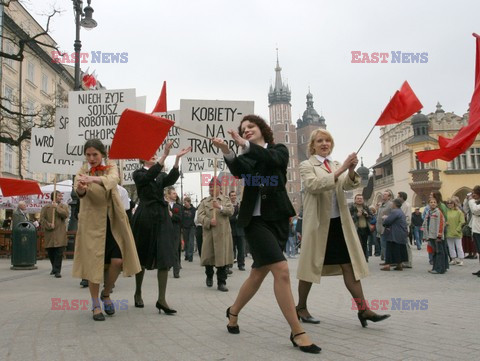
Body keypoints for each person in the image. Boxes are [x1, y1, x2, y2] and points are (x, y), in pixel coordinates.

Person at [213, 114, 321, 354]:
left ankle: (233, 311)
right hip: (255, 221)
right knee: (281, 270)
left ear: (262, 128)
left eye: (251, 127)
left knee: (257, 274)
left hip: (278, 219)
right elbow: (240, 172)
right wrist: (227, 151)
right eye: (243, 128)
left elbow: (273, 161)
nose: (247, 130)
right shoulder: (247, 154)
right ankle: (297, 332)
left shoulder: (279, 150)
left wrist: (244, 144)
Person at [295, 129, 390, 330]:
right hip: (318, 226)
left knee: (349, 266)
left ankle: (363, 309)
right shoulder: (306, 165)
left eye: (327, 140)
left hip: (338, 224)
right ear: (312, 145)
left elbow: (346, 185)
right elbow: (314, 185)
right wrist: (341, 170)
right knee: (310, 268)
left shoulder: (336, 164)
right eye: (320, 141)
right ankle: (301, 307)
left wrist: (351, 170)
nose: (324, 143)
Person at [72, 139, 141, 321]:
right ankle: (96, 305)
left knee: (118, 261)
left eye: (95, 154)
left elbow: (112, 180)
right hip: (92, 224)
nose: (91, 158)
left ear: (102, 154)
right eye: (88, 155)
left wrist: (93, 178)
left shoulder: (111, 167)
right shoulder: (81, 171)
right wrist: (80, 189)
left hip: (112, 222)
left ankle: (106, 292)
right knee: (94, 265)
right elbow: (79, 191)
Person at [131, 142, 190, 313]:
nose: (153, 154)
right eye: (148, 153)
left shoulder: (159, 174)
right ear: (142, 158)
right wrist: (164, 156)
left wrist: (177, 159)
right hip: (145, 217)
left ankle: (162, 299)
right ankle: (137, 292)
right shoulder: (138, 173)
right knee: (141, 255)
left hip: (162, 217)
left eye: (154, 153)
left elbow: (170, 179)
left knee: (164, 255)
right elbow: (148, 177)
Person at [197, 178, 234, 291]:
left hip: (223, 235)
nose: (212, 189)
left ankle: (221, 282)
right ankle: (209, 275)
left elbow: (231, 211)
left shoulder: (225, 200)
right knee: (209, 258)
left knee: (222, 260)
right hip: (209, 234)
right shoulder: (204, 202)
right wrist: (208, 221)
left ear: (220, 188)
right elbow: (200, 216)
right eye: (210, 187)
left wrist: (219, 207)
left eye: (214, 187)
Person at [40, 191, 69, 278]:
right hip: (50, 234)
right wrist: (48, 224)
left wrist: (57, 208)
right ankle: (54, 267)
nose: (61, 197)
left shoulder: (64, 206)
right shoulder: (46, 207)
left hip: (60, 233)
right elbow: (42, 219)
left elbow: (65, 215)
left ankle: (57, 271)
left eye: (61, 196)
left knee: (59, 252)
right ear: (54, 197)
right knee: (51, 252)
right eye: (59, 196)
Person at [380, 198, 409, 271]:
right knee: (399, 249)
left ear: (395, 204)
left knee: (390, 249)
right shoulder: (400, 211)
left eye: (392, 204)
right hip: (401, 233)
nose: (391, 205)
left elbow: (387, 221)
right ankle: (399, 265)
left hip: (394, 233)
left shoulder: (395, 211)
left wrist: (384, 219)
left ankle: (387, 265)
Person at [422, 197, 447, 274]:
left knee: (439, 252)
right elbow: (425, 224)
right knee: (434, 252)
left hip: (436, 236)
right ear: (428, 204)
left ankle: (440, 269)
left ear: (436, 204)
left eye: (434, 202)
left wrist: (439, 235)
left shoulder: (438, 212)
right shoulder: (429, 212)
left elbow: (441, 224)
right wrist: (425, 236)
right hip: (431, 236)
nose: (433, 203)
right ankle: (435, 267)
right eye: (431, 202)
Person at [166, 187, 183, 278]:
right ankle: (166, 266)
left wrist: (172, 215)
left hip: (175, 231)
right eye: (173, 193)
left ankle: (176, 271)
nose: (175, 195)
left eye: (175, 193)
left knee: (175, 251)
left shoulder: (178, 207)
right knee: (166, 250)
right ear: (168, 195)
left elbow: (180, 218)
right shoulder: (164, 205)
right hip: (166, 231)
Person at [349, 194, 372, 262]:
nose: (359, 200)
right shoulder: (352, 207)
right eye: (358, 198)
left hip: (365, 228)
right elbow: (348, 218)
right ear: (355, 200)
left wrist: (367, 215)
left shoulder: (366, 207)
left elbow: (371, 216)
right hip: (356, 229)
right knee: (357, 244)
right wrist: (357, 215)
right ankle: (358, 259)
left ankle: (365, 258)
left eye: (361, 198)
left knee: (364, 244)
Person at [229, 190, 246, 270]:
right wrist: (235, 218)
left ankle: (241, 264)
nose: (233, 197)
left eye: (234, 195)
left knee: (241, 249)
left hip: (240, 231)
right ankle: (229, 264)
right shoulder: (228, 206)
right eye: (232, 195)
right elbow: (228, 218)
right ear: (230, 197)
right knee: (231, 249)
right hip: (231, 231)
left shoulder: (240, 205)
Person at [445, 198, 465, 266]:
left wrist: (458, 229)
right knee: (451, 247)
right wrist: (445, 223)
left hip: (457, 232)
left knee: (459, 247)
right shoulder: (446, 212)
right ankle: (453, 259)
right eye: (448, 203)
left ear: (454, 204)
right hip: (449, 231)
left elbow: (462, 221)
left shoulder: (459, 211)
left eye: (451, 203)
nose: (450, 204)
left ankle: (461, 259)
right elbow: (444, 220)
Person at [398, 192, 412, 268]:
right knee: (403, 245)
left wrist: (405, 226)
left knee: (407, 245)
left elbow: (408, 218)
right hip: (401, 227)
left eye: (398, 196)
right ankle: (404, 261)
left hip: (404, 227)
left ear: (402, 197)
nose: (397, 198)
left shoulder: (407, 205)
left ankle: (409, 262)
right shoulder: (401, 205)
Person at [377, 191, 393, 262]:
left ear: (389, 197)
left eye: (385, 194)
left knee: (385, 244)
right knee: (382, 244)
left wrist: (387, 217)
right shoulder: (381, 205)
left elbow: (393, 215)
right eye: (383, 194)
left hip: (386, 228)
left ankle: (387, 260)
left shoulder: (391, 204)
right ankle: (384, 257)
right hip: (380, 228)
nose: (383, 195)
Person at [468, 186, 480, 276]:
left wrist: (471, 200)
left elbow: (475, 210)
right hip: (476, 229)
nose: (473, 195)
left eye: (474, 193)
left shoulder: (474, 203)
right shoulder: (476, 202)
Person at [182, 197, 196, 262]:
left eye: (185, 202)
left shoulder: (193, 209)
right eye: (184, 202)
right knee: (186, 242)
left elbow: (195, 218)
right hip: (185, 227)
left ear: (189, 202)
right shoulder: (182, 209)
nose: (185, 204)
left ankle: (190, 256)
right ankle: (187, 255)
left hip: (191, 227)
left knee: (191, 242)